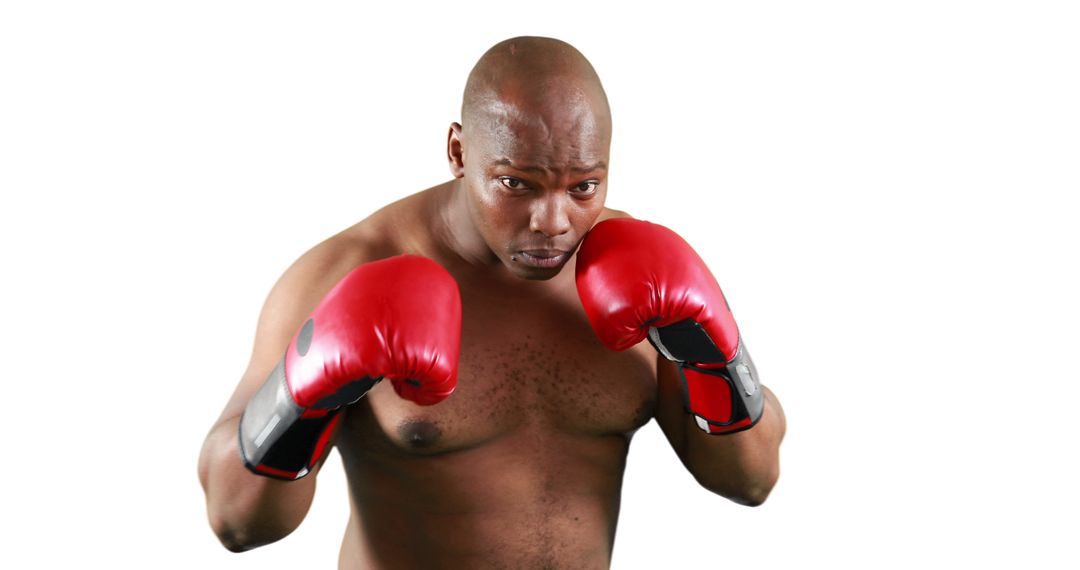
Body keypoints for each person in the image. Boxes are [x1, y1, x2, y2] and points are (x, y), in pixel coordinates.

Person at [197, 36, 786, 568]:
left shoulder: (651, 275)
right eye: (517, 183)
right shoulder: (347, 271)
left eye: (582, 186)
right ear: (457, 151)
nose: (553, 222)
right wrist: (304, 390)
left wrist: (710, 353)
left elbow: (751, 480)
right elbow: (237, 521)